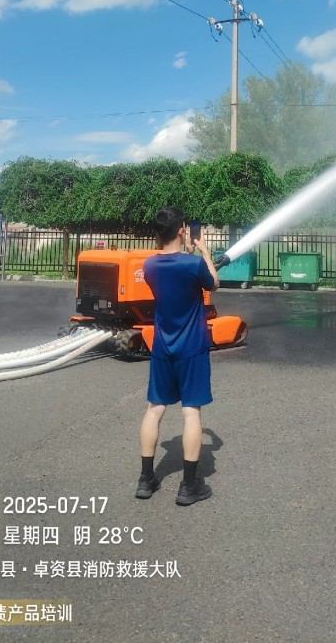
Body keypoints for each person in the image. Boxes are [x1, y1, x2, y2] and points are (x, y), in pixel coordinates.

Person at [136, 207, 219, 506]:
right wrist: (204, 252)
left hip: (162, 346)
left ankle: (146, 479)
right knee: (191, 412)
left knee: (154, 408)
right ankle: (188, 486)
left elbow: (171, 282)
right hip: (192, 347)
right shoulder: (193, 264)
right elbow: (213, 283)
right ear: (183, 231)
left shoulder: (149, 265)